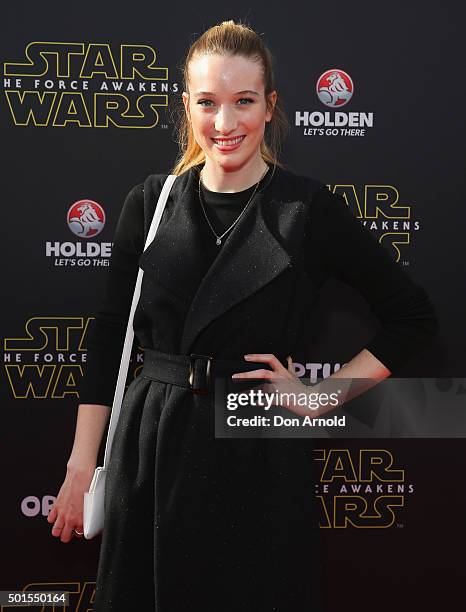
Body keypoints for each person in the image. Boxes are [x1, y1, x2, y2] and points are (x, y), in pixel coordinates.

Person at [46, 19, 439, 611]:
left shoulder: (305, 210)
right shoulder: (151, 203)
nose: (224, 125)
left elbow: (412, 316)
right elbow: (109, 341)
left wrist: (322, 396)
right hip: (151, 442)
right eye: (207, 103)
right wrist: (82, 466)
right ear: (186, 105)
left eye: (243, 102)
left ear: (270, 105)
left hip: (255, 447)